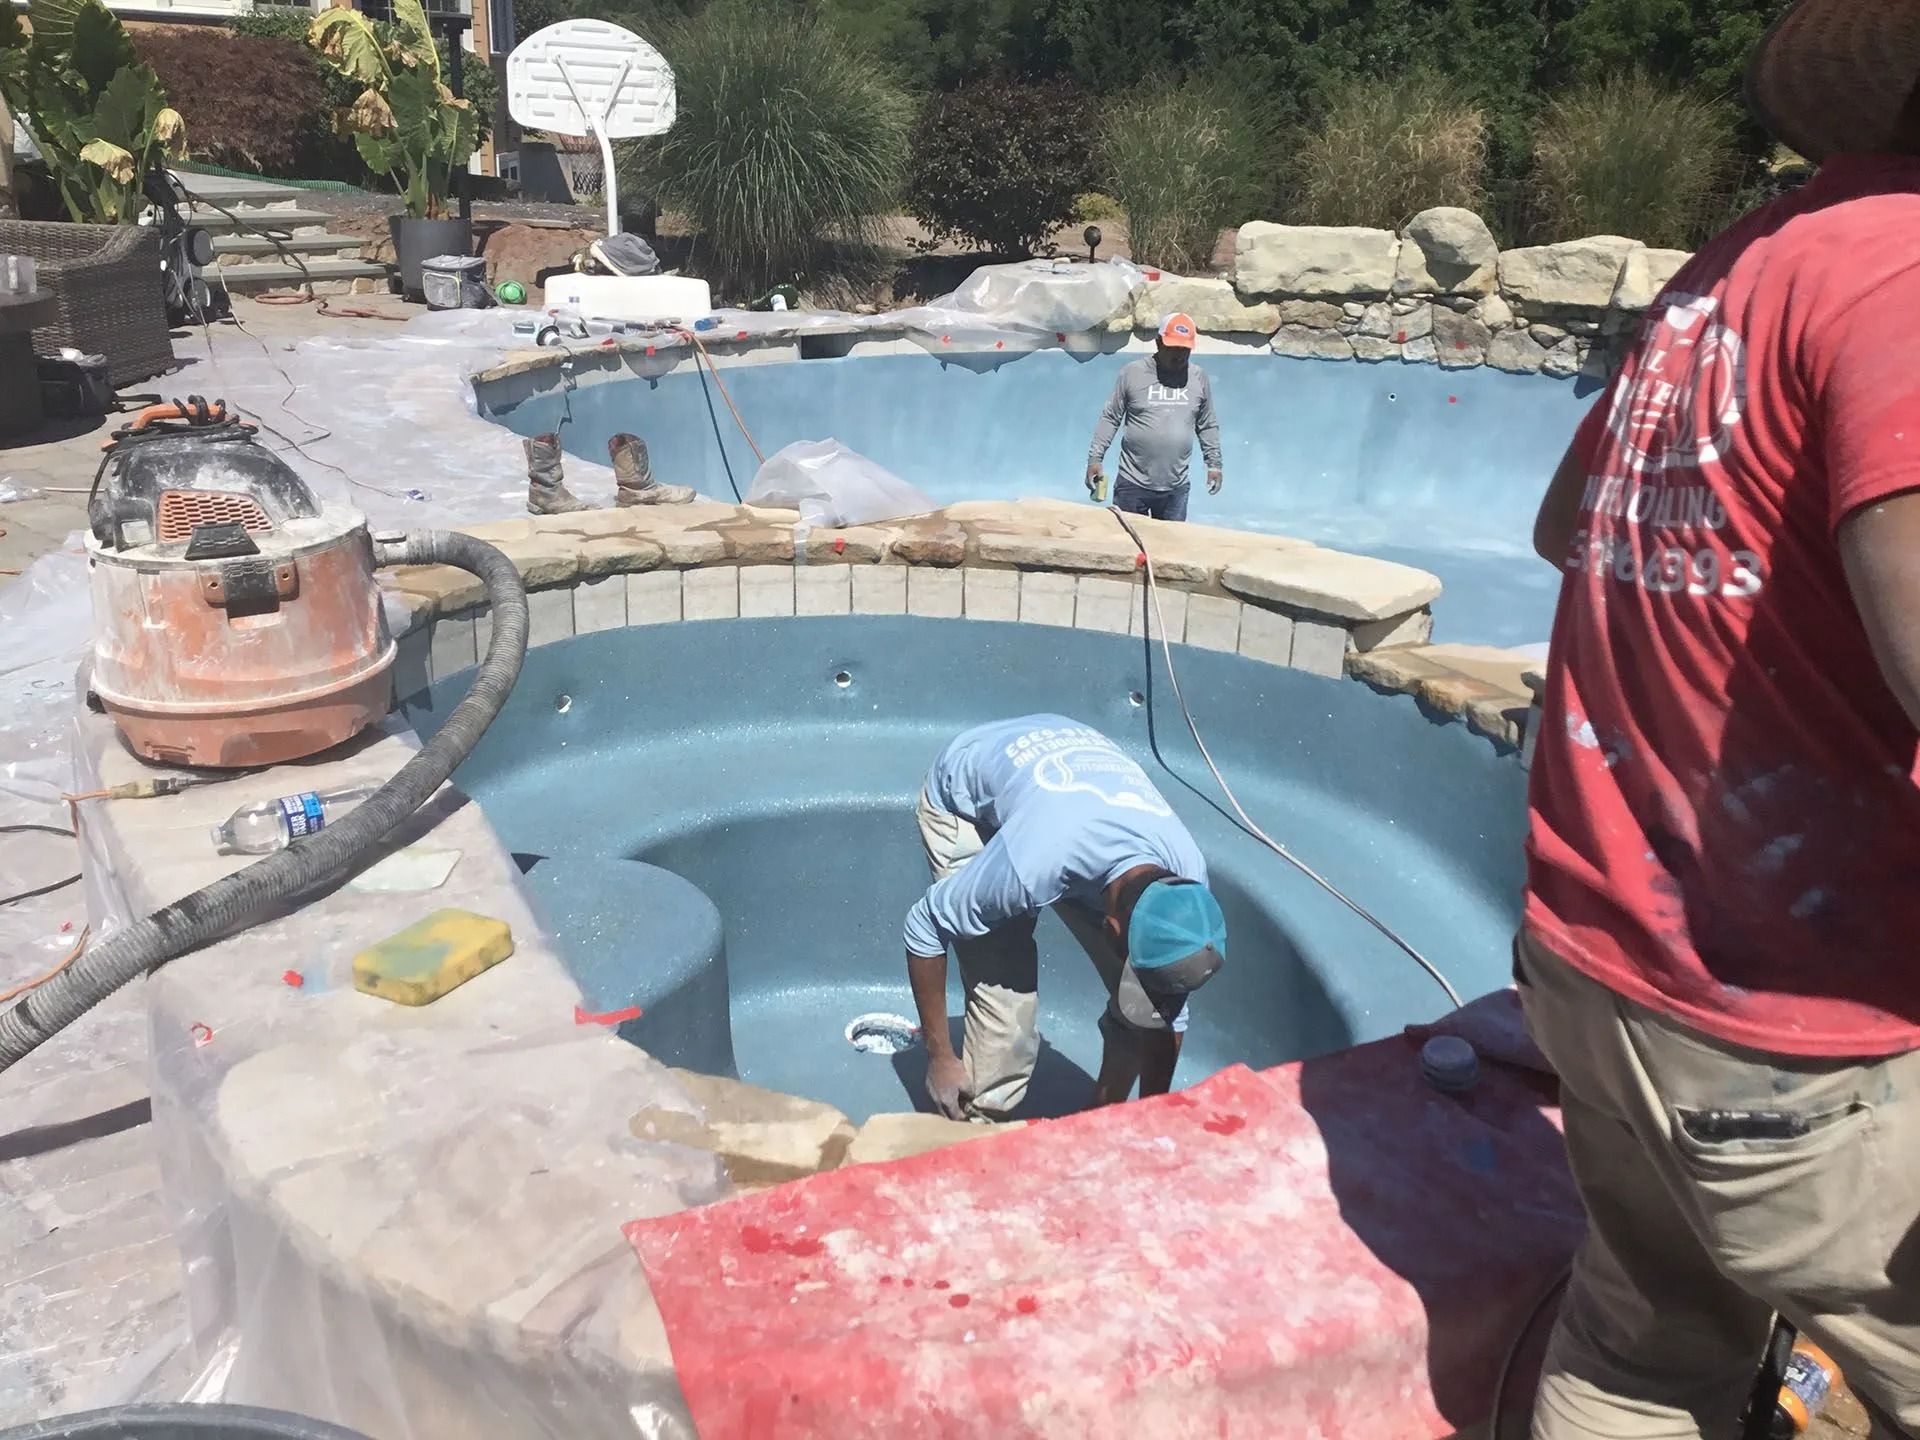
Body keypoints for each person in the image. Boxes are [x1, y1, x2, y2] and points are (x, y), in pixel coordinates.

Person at [1519, 3, 1920, 1435]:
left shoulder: (1731, 272)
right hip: (1799, 1020)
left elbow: (1571, 521)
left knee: (1640, 1356)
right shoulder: (1910, 273)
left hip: (1599, 959)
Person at [904, 716, 1228, 1121]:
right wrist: (940, 1058)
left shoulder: (1187, 887)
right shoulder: (1033, 865)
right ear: (1110, 927)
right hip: (966, 799)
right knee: (1004, 1031)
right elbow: (924, 927)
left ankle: (1102, 1116)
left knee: (1141, 1006)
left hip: (1064, 775)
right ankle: (973, 1133)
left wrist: (1151, 1120)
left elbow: (1164, 1016)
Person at [1085, 312, 1223, 522]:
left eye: (1184, 349)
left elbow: (1207, 425)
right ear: (1159, 343)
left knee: (1170, 552)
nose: (1179, 355)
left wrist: (1214, 464)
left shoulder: (1198, 378)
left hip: (1175, 489)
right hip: (1132, 485)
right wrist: (1095, 459)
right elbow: (1111, 418)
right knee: (1129, 549)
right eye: (1173, 348)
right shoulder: (1132, 373)